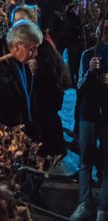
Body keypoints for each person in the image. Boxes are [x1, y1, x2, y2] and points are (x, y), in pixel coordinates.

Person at [10, 5, 70, 156]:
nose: (18, 23)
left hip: (43, 105)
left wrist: (36, 72)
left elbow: (54, 72)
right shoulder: (12, 44)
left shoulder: (41, 43)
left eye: (22, 19)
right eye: (15, 20)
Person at [70, 15, 108, 221]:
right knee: (85, 159)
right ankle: (84, 202)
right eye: (103, 29)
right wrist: (90, 72)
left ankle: (104, 206)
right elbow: (80, 88)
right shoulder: (87, 55)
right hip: (88, 114)